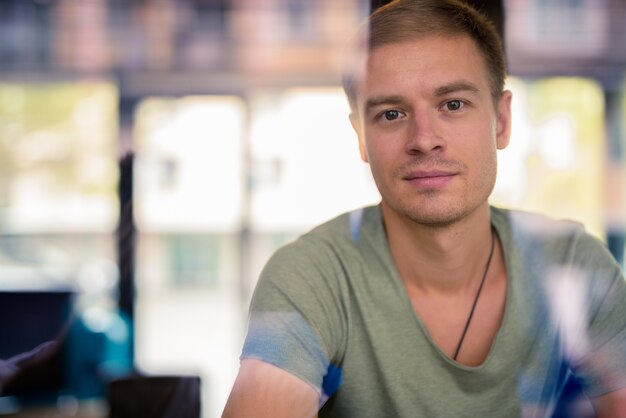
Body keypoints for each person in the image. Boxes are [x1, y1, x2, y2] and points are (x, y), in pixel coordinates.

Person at [222, 0, 626, 416]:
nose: (424, 139)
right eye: (391, 114)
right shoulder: (314, 275)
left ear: (501, 122)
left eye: (452, 104)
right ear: (361, 138)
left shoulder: (573, 263)